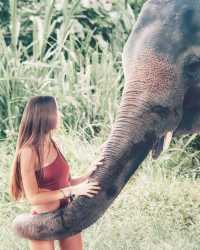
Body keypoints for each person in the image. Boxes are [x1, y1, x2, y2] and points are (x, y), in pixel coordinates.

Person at [9, 95, 102, 250]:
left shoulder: (53, 143)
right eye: (56, 111)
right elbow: (33, 197)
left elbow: (65, 183)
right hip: (42, 221)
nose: (60, 115)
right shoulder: (28, 152)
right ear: (45, 115)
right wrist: (72, 191)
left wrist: (88, 174)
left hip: (66, 213)